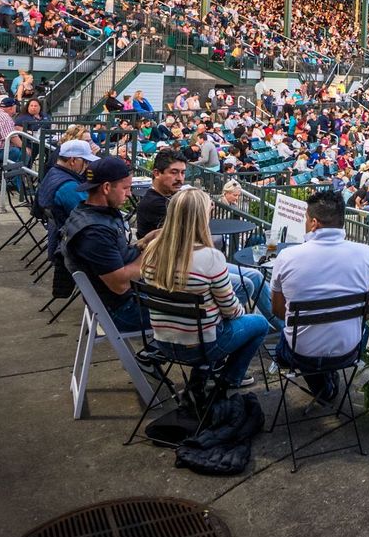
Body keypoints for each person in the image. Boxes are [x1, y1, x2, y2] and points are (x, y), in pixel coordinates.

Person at [138, 188, 270, 391]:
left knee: (237, 294)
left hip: (163, 342)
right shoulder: (210, 257)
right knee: (260, 323)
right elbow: (231, 310)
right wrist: (236, 314)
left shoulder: (152, 250)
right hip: (202, 347)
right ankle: (229, 379)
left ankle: (208, 374)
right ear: (201, 217)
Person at [271, 189, 369, 402]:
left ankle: (324, 387)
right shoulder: (367, 254)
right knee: (360, 325)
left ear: (313, 223)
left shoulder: (286, 257)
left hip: (300, 354)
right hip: (348, 351)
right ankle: (327, 382)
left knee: (295, 335)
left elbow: (277, 311)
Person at [61, 156, 146, 331]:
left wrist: (146, 241)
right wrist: (153, 252)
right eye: (126, 188)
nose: (129, 194)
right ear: (106, 187)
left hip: (111, 303)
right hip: (122, 311)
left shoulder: (84, 213)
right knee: (204, 312)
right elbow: (120, 285)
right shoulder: (94, 232)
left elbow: (117, 253)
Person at [35, 139, 98, 266]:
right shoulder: (68, 186)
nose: (87, 165)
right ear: (73, 160)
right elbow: (90, 216)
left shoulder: (53, 173)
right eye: (85, 161)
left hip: (61, 233)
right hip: (74, 243)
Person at [136, 149, 186, 240]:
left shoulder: (167, 196)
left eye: (183, 173)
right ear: (157, 173)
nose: (180, 178)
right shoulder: (154, 203)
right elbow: (189, 232)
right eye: (174, 172)